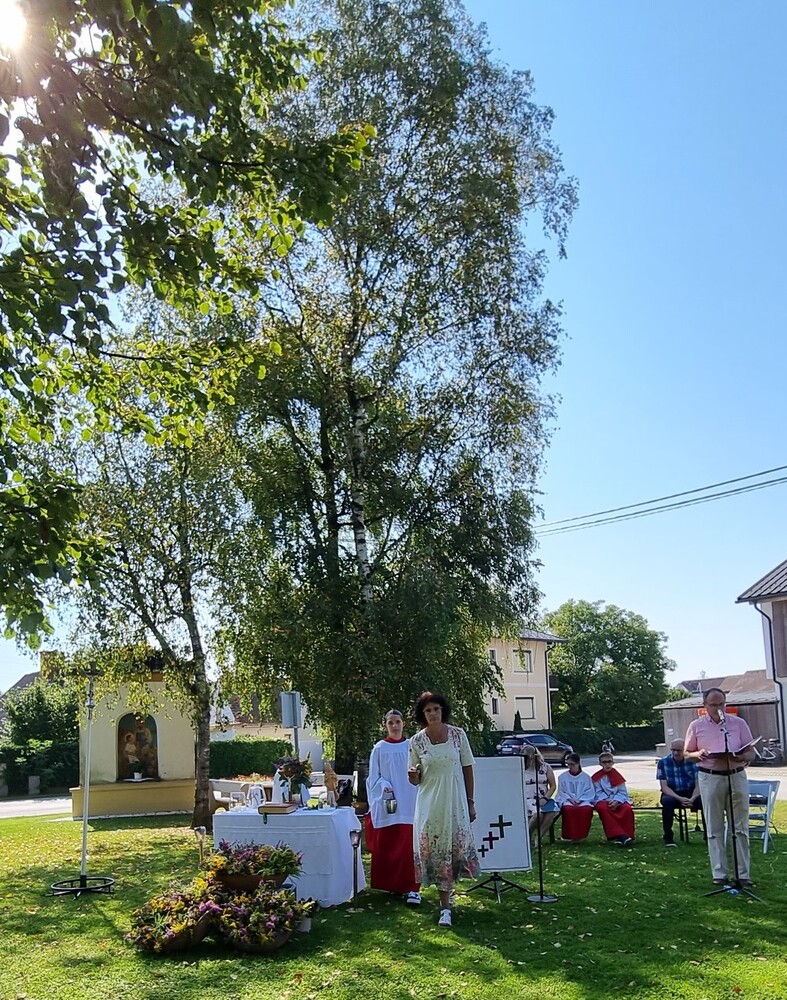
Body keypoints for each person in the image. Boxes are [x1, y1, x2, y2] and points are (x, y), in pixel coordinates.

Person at [408, 691, 480, 928]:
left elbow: (468, 768)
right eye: (428, 710)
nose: (433, 713)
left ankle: (448, 899)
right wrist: (413, 775)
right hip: (429, 805)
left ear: (443, 710)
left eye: (436, 709)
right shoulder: (416, 741)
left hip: (455, 801)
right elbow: (415, 779)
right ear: (423, 714)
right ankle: (445, 907)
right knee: (437, 851)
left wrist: (470, 801)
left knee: (453, 849)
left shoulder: (458, 735)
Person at [684, 687, 757, 886]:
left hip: (736, 775)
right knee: (714, 826)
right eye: (713, 705)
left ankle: (743, 874)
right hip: (710, 777)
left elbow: (751, 751)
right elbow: (687, 753)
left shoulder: (738, 723)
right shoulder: (696, 725)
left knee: (740, 827)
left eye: (721, 704)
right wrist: (698, 754)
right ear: (705, 705)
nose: (718, 708)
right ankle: (719, 873)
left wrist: (742, 756)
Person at [365, 709, 421, 905]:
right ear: (385, 726)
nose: (395, 726)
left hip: (410, 802)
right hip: (389, 803)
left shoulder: (412, 746)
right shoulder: (379, 748)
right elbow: (374, 777)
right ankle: (394, 886)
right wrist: (384, 786)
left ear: (403, 723)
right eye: (391, 722)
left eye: (398, 721)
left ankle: (413, 888)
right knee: (391, 845)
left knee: (409, 848)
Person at [656, 739, 703, 847]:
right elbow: (664, 787)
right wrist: (680, 798)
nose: (676, 753)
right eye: (673, 750)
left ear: (685, 750)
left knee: (705, 801)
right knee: (667, 802)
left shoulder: (694, 762)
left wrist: (692, 798)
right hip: (672, 792)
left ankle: (709, 836)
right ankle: (668, 837)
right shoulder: (663, 762)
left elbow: (699, 784)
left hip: (691, 791)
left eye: (679, 750)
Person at [592, 752, 635, 845]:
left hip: (618, 799)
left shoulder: (617, 776)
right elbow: (597, 792)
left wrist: (616, 801)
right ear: (600, 764)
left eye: (609, 762)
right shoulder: (596, 777)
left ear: (613, 763)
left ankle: (628, 835)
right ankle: (619, 835)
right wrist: (609, 800)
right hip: (603, 800)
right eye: (604, 762)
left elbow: (622, 792)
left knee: (626, 808)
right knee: (603, 808)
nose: (607, 764)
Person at [520, 744, 560, 839]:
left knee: (551, 812)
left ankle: (538, 838)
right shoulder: (520, 768)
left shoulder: (545, 767)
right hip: (527, 799)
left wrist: (545, 798)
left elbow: (553, 786)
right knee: (538, 814)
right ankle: (527, 836)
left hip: (543, 798)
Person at [556, 752, 595, 841]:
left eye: (572, 764)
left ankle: (581, 835)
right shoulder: (562, 777)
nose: (570, 767)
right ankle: (569, 835)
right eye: (568, 764)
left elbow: (589, 791)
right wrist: (569, 799)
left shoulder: (586, 777)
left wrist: (581, 800)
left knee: (586, 810)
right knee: (568, 810)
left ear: (578, 764)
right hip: (568, 800)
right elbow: (561, 791)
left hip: (583, 800)